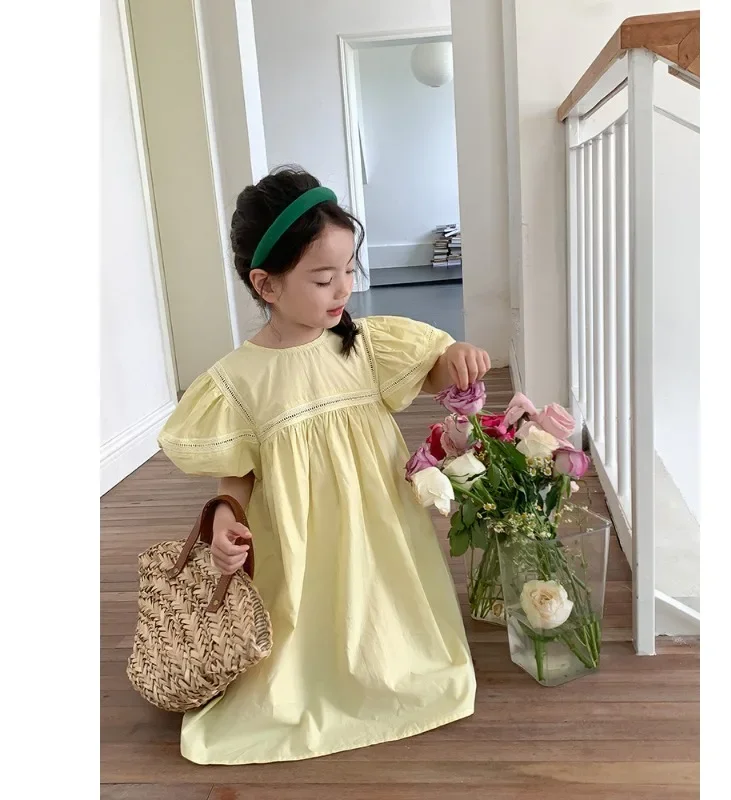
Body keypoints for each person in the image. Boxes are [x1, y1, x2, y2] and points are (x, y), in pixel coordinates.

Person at [158, 165, 490, 765]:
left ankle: (388, 664)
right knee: (305, 618)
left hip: (378, 521)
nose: (343, 290)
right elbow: (239, 469)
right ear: (266, 285)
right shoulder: (239, 380)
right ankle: (314, 675)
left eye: (349, 270)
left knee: (383, 605)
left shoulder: (362, 345)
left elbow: (431, 369)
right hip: (300, 537)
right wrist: (225, 518)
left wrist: (458, 357)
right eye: (322, 278)